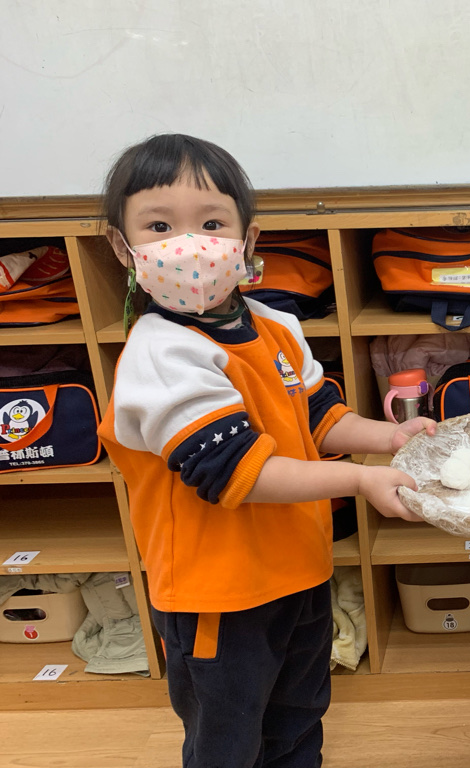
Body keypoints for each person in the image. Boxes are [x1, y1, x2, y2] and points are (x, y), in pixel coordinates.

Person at [97, 133, 434, 768]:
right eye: (159, 226)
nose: (189, 244)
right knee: (227, 743)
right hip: (217, 594)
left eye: (212, 223)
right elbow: (238, 473)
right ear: (123, 247)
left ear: (248, 240)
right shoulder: (160, 352)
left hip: (298, 572)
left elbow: (316, 416)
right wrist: (361, 481)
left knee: (298, 720)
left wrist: (386, 438)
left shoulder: (276, 325)